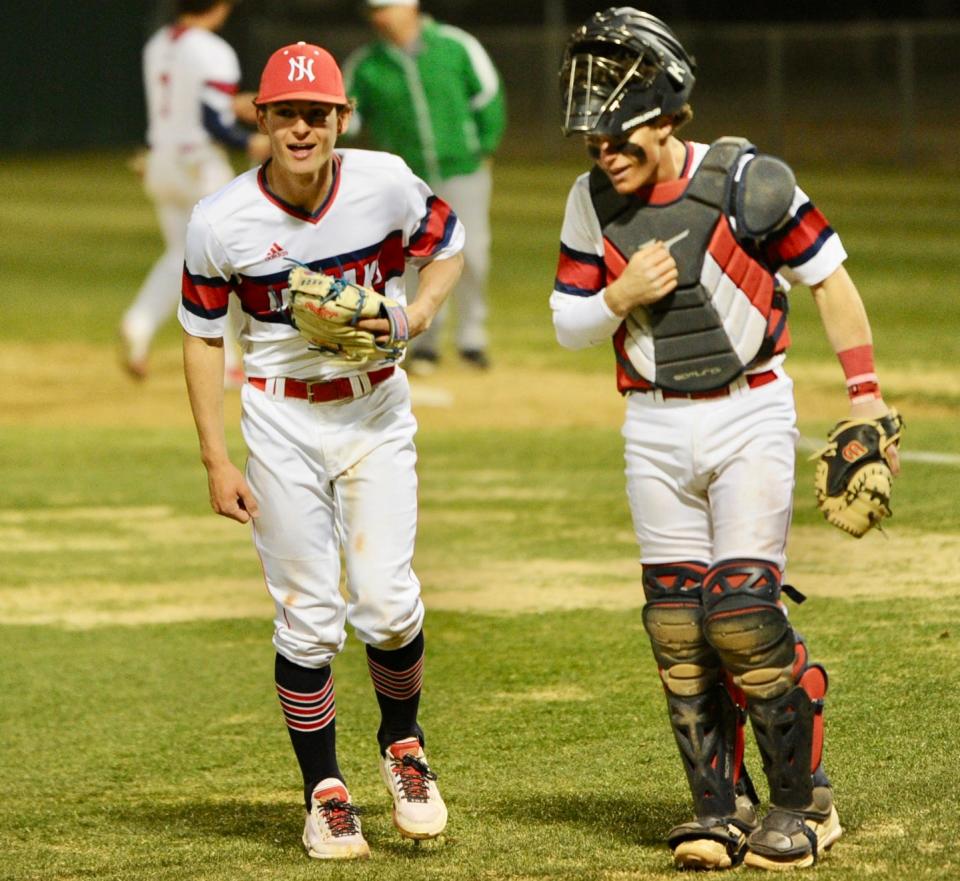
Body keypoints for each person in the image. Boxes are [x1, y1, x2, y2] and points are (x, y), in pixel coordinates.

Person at [551, 7, 901, 872]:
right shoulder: (590, 201)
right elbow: (567, 323)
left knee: (742, 613)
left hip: (750, 412)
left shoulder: (751, 181)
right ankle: (716, 806)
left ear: (668, 115)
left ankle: (802, 802)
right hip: (652, 424)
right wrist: (619, 294)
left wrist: (865, 395)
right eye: (593, 137)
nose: (603, 152)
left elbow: (829, 278)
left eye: (617, 132)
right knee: (676, 622)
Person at [179, 41, 464, 859]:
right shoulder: (221, 220)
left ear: (341, 118)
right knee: (307, 618)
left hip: (375, 410)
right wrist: (214, 457)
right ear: (260, 120)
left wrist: (415, 313)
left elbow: (446, 244)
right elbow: (202, 338)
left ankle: (402, 744)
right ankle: (324, 792)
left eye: (318, 113)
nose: (301, 128)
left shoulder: (384, 180)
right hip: (280, 421)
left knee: (385, 601)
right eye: (285, 114)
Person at [343, 0, 506, 374]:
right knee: (417, 259)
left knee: (474, 254)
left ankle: (471, 339)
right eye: (372, 11)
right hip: (408, 180)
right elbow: (346, 117)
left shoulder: (455, 45)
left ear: (410, 7)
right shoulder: (366, 64)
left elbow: (489, 96)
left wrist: (485, 146)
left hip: (461, 167)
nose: (378, 17)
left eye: (384, 7)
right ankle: (425, 343)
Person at [122, 0, 268, 384]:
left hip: (160, 160)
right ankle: (230, 363)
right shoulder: (212, 49)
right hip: (198, 165)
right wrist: (249, 141)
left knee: (180, 256)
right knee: (227, 262)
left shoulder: (159, 43)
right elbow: (212, 120)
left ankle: (139, 323)